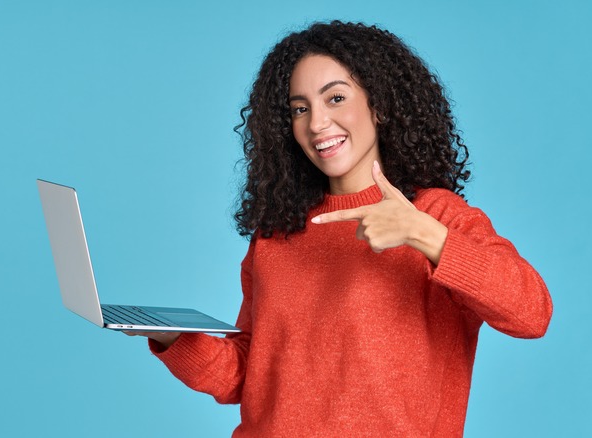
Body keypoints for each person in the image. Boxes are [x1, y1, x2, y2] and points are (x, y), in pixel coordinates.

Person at [127, 20, 553, 436]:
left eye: (335, 98)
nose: (316, 124)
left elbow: (532, 312)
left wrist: (423, 235)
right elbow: (248, 376)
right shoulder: (277, 234)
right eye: (300, 108)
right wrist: (172, 337)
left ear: (380, 104)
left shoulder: (436, 215)